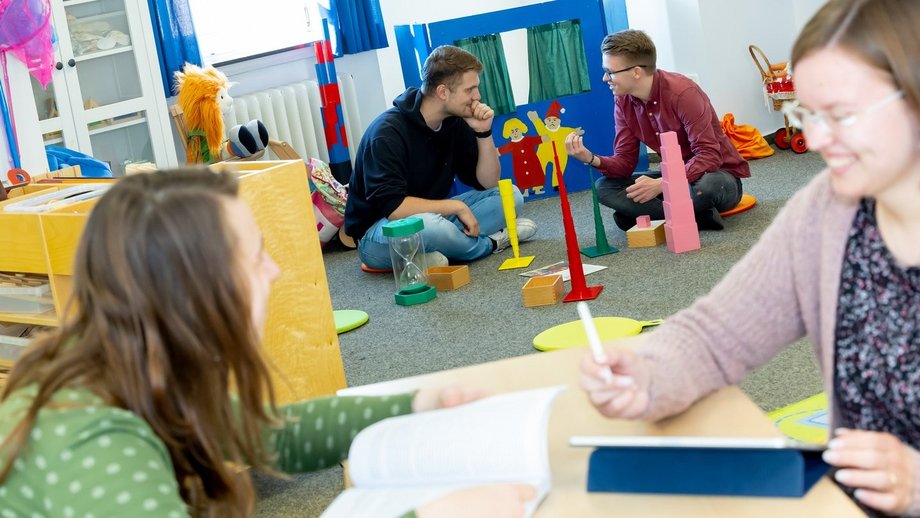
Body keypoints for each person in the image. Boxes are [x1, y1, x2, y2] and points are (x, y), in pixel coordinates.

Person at [0, 170, 536, 517]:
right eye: (254, 255)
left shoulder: (133, 363)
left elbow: (269, 434)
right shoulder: (89, 440)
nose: (274, 271)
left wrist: (419, 404)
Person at [579, 1, 920, 515]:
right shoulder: (828, 210)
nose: (820, 140)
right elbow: (719, 333)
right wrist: (651, 371)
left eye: (843, 115)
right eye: (808, 114)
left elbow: (709, 158)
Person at [344, 45, 537, 270]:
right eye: (470, 90)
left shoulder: (454, 121)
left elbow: (488, 182)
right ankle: (492, 242)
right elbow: (394, 208)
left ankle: (431, 254)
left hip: (437, 217)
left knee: (510, 196)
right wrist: (456, 207)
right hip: (380, 232)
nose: (478, 97)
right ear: (443, 92)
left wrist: (483, 133)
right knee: (429, 226)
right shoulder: (386, 133)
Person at [564, 29, 750, 232]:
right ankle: (697, 216)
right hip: (676, 178)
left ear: (636, 71)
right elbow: (625, 163)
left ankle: (648, 216)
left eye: (610, 72)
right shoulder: (622, 101)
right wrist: (590, 158)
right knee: (605, 187)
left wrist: (664, 183)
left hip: (717, 177)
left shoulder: (684, 93)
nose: (605, 79)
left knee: (709, 187)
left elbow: (709, 156)